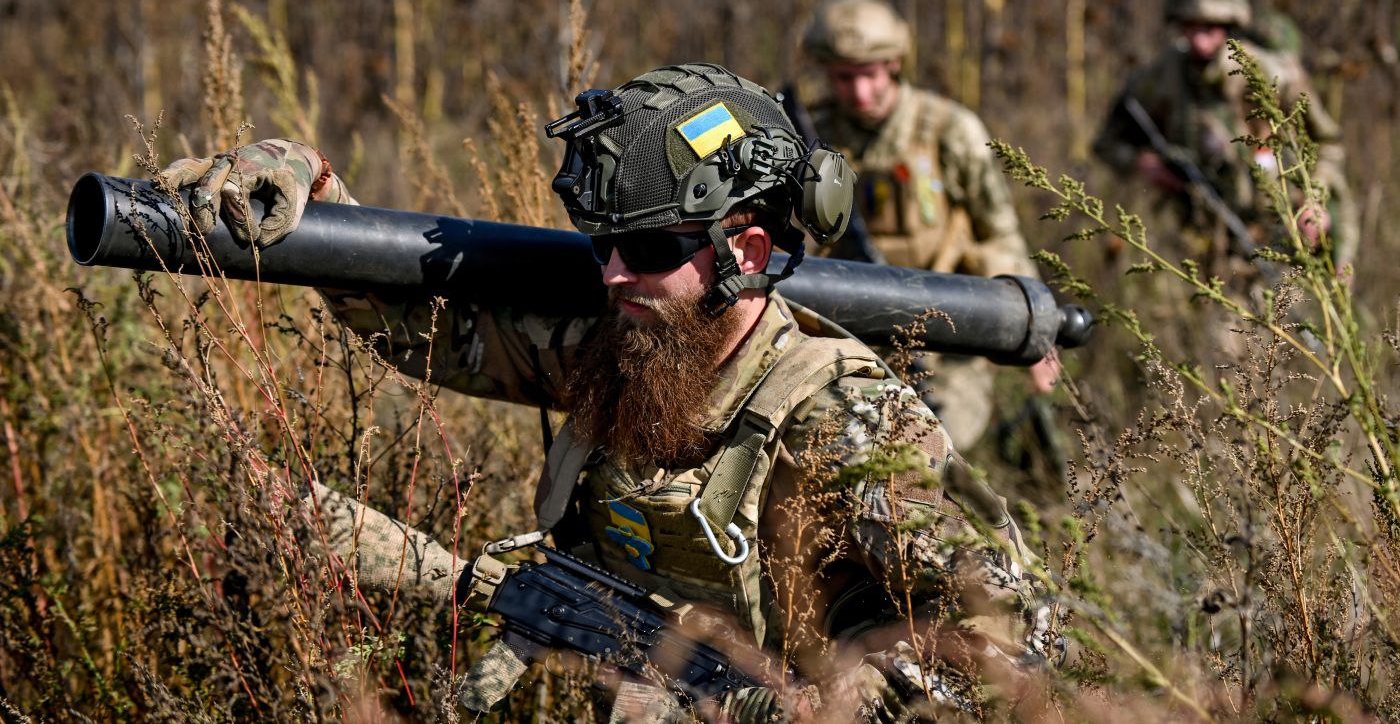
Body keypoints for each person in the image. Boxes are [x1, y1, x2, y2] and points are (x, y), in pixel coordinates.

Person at [162, 63, 1050, 722]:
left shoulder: (846, 422)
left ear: (742, 253)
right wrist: (311, 190)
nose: (617, 274)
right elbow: (425, 335)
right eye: (600, 247)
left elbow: (1010, 634)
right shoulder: (620, 348)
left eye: (653, 250)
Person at [799, 0, 1058, 452]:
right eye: (843, 78)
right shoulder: (811, 136)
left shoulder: (949, 131)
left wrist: (1036, 333)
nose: (859, 93)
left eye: (870, 76)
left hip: (948, 342)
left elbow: (998, 233)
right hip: (843, 340)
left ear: (894, 63)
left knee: (930, 454)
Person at [1093, 0, 1356, 279]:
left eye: (1210, 28)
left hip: (1289, 231)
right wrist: (1142, 163)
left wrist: (1315, 200)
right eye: (1190, 27)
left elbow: (1327, 143)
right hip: (1209, 243)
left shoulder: (1276, 75)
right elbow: (1107, 143)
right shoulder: (1160, 79)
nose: (1199, 41)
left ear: (1231, 24)